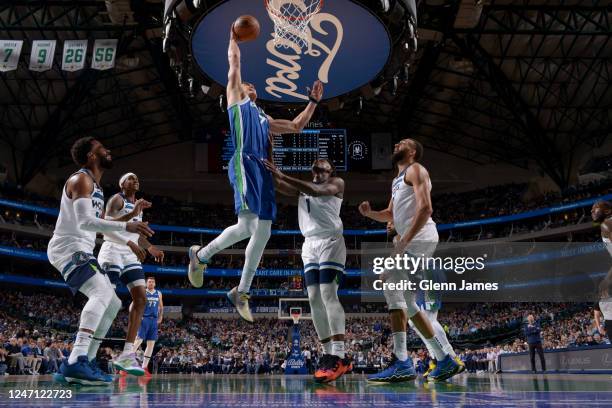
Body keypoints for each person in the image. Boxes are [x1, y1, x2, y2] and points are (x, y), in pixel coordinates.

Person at [187, 22, 323, 322]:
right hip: (245, 161)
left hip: (261, 170)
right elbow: (234, 63)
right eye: (249, 85)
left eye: (252, 86)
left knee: (262, 231)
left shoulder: (264, 118)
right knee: (248, 225)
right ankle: (200, 256)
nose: (253, 86)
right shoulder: (236, 99)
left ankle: (240, 290)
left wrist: (313, 102)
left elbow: (297, 126)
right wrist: (233, 37)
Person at [47, 137, 153, 385]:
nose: (108, 150)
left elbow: (100, 225)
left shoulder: (96, 186)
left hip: (82, 249)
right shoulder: (80, 179)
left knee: (114, 302)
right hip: (68, 247)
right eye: (102, 149)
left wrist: (129, 225)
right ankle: (75, 360)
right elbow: (84, 222)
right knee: (102, 293)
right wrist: (128, 224)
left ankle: (84, 363)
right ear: (91, 156)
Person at [359, 138, 461, 382]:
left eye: (402, 143)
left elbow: (426, 209)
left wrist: (402, 244)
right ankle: (444, 359)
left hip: (420, 237)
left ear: (412, 152)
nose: (395, 145)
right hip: (411, 240)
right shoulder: (396, 181)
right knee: (407, 301)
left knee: (391, 285)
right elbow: (390, 214)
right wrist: (370, 213)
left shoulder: (416, 169)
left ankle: (402, 361)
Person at [266, 158, 350, 383]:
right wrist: (269, 158)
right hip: (309, 244)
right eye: (315, 168)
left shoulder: (337, 184)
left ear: (331, 171)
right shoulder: (303, 189)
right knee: (313, 298)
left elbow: (313, 189)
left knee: (327, 293)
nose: (319, 170)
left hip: (331, 241)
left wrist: (283, 175)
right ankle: (327, 354)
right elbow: (277, 182)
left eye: (323, 168)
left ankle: (340, 355)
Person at [98, 172, 164, 376]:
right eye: (130, 178)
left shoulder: (139, 208)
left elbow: (136, 234)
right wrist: (130, 242)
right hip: (113, 250)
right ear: (121, 183)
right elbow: (105, 228)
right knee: (106, 300)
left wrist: (150, 247)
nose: (135, 180)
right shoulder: (117, 199)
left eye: (137, 178)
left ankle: (127, 353)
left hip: (130, 254)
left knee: (141, 299)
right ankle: (87, 350)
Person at [133, 276, 163, 377]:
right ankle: (125, 362)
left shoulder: (158, 293)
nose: (150, 283)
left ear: (155, 284)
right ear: (146, 283)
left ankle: (144, 367)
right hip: (144, 319)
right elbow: (135, 305)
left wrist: (161, 317)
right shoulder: (142, 292)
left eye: (152, 282)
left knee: (151, 344)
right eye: (149, 282)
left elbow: (161, 307)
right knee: (138, 340)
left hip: (154, 320)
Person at [591, 201, 612, 341]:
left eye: (595, 209)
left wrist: (607, 280)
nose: (592, 212)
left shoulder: (607, 224)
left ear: (606, 210)